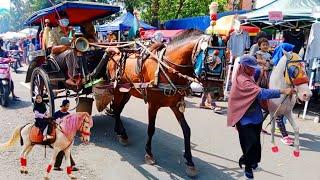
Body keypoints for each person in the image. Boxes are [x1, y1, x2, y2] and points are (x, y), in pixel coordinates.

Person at [227, 55, 295, 179]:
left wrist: (283, 67)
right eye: (251, 67)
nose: (254, 69)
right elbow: (262, 93)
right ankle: (247, 167)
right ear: (245, 67)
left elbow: (263, 70)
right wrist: (283, 91)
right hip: (244, 118)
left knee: (256, 144)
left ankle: (251, 162)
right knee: (249, 145)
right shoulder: (243, 80)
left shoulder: (249, 74)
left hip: (256, 117)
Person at [52, 100, 78, 171]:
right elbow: (53, 123)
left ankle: (57, 166)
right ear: (63, 106)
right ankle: (71, 166)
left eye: (68, 106)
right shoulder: (56, 114)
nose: (67, 107)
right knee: (65, 149)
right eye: (67, 106)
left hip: (66, 135)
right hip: (58, 135)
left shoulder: (68, 114)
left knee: (64, 149)